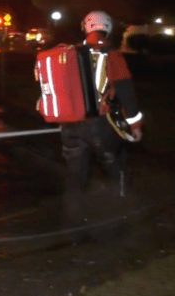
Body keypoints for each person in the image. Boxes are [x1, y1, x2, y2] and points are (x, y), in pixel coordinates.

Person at [60, 11, 143, 225]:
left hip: (69, 126)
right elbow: (127, 94)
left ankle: (73, 222)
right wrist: (135, 124)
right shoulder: (112, 55)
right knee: (115, 166)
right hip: (98, 125)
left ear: (85, 28)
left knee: (75, 175)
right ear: (108, 29)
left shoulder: (69, 54)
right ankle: (123, 213)